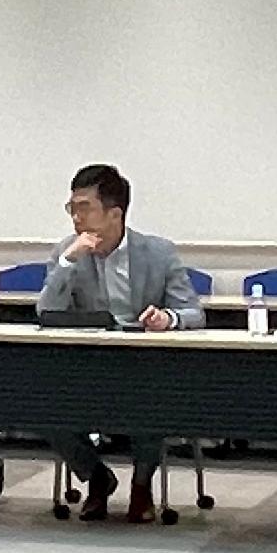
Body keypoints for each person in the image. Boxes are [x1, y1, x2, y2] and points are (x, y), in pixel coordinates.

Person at [35, 162, 201, 522]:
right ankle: (96, 478)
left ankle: (142, 486)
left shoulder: (158, 253)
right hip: (87, 365)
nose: (76, 219)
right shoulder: (68, 252)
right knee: (42, 405)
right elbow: (45, 312)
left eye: (85, 208)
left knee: (149, 400)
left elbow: (193, 312)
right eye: (72, 208)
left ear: (114, 214)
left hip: (143, 364)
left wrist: (166, 319)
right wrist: (67, 263)